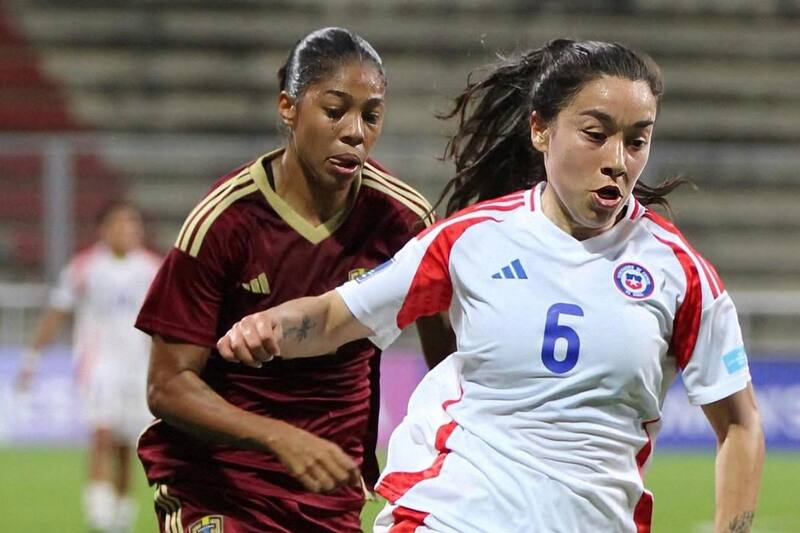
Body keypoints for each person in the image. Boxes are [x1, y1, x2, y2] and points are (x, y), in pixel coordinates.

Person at [218, 39, 765, 533]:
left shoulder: (678, 270)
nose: (617, 162)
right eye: (595, 135)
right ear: (540, 129)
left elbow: (739, 425)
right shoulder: (472, 239)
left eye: (637, 141)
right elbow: (337, 317)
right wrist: (271, 326)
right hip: (452, 514)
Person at [134, 26, 452, 533]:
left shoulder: (405, 222)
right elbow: (168, 384)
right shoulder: (224, 221)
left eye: (371, 115)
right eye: (335, 110)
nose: (355, 131)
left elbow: (450, 365)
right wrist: (279, 437)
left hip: (329, 489)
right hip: (217, 486)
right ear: (288, 108)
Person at [16, 201, 160, 533]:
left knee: (128, 445)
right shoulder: (84, 267)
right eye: (121, 223)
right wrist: (32, 358)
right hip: (100, 365)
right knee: (102, 434)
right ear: (104, 229)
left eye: (133, 223)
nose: (128, 230)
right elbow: (56, 312)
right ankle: (98, 513)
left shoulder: (153, 268)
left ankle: (122, 515)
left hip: (139, 368)